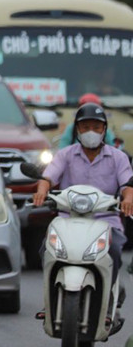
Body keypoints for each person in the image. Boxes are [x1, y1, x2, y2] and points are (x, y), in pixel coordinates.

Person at [34, 103, 133, 289]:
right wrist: (41, 191)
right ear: (77, 129)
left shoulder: (118, 157)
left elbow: (127, 185)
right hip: (68, 219)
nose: (91, 132)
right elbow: (47, 177)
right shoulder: (65, 155)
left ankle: (110, 294)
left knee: (114, 251)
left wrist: (128, 199)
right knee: (46, 249)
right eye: (85, 127)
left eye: (96, 127)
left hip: (106, 220)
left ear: (104, 129)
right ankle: (52, 297)